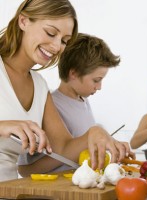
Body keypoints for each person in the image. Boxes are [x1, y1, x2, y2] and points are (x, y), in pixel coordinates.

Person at [0, 0, 131, 182]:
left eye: (64, 41)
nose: (56, 47)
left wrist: (94, 133)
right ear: (23, 21)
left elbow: (62, 148)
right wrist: (2, 126)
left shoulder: (39, 87)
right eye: (50, 33)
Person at [20, 32, 127, 173]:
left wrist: (107, 145)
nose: (99, 87)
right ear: (74, 73)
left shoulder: (83, 101)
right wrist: (91, 136)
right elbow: (25, 169)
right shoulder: (50, 105)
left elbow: (83, 149)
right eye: (96, 80)